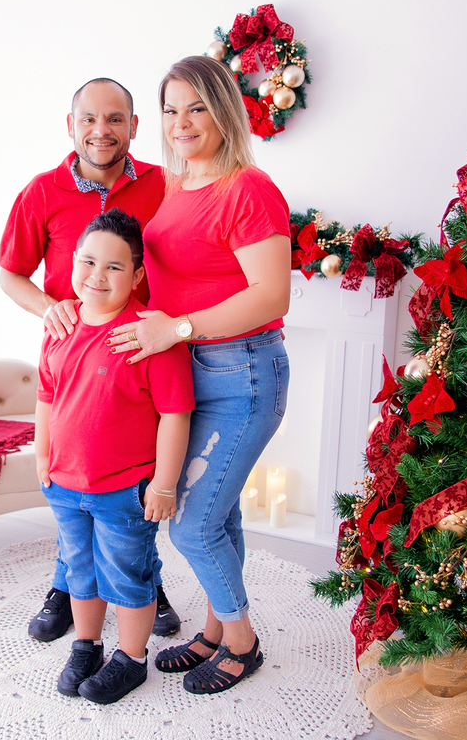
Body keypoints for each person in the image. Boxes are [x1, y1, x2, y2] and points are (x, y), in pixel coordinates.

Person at [106, 55, 292, 695]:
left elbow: (271, 296)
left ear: (225, 112)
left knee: (190, 523)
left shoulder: (249, 188)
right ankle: (214, 631)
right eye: (170, 108)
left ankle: (242, 644)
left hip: (241, 376)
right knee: (220, 516)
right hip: (189, 377)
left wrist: (176, 328)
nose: (182, 122)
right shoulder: (178, 185)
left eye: (197, 107)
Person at [0, 78, 181, 641]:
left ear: (133, 125)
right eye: (90, 119)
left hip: (140, 359)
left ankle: (140, 584)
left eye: (116, 119)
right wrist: (48, 307)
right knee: (74, 484)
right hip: (72, 355)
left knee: (126, 485)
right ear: (71, 124)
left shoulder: (164, 186)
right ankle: (69, 587)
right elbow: (10, 273)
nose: (102, 131)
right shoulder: (41, 192)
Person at [36, 209, 193, 703]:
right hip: (65, 483)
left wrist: (164, 484)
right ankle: (87, 645)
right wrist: (43, 460)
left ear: (138, 275)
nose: (97, 276)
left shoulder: (148, 335)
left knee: (128, 574)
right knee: (79, 570)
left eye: (114, 267)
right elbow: (45, 398)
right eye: (88, 262)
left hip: (124, 489)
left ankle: (132, 658)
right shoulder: (59, 326)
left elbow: (174, 414)